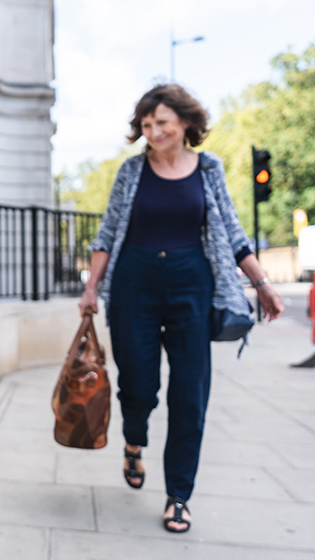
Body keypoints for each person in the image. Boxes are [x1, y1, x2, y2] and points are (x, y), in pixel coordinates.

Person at [77, 84, 285, 533]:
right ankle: (134, 442)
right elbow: (108, 233)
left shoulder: (208, 169)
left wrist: (262, 284)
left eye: (163, 124)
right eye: (147, 125)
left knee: (190, 394)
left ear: (185, 123)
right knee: (138, 387)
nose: (153, 132)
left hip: (193, 286)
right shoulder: (132, 172)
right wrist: (92, 288)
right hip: (135, 286)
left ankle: (179, 495)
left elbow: (231, 231)